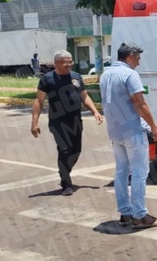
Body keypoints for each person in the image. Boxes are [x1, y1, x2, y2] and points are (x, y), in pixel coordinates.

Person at [100, 41, 157, 229]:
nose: (139, 61)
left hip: (115, 131)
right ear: (130, 56)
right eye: (137, 57)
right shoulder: (130, 74)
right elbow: (140, 104)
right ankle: (140, 215)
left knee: (121, 172)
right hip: (132, 131)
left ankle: (125, 213)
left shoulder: (105, 75)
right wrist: (153, 127)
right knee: (139, 172)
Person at [31, 50, 103, 196]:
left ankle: (64, 171)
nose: (69, 64)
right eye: (66, 62)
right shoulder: (47, 79)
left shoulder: (76, 77)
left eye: (70, 61)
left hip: (76, 120)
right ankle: (65, 182)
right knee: (64, 150)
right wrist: (34, 122)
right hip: (58, 122)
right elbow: (39, 100)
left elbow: (84, 96)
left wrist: (95, 111)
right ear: (56, 63)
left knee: (76, 151)